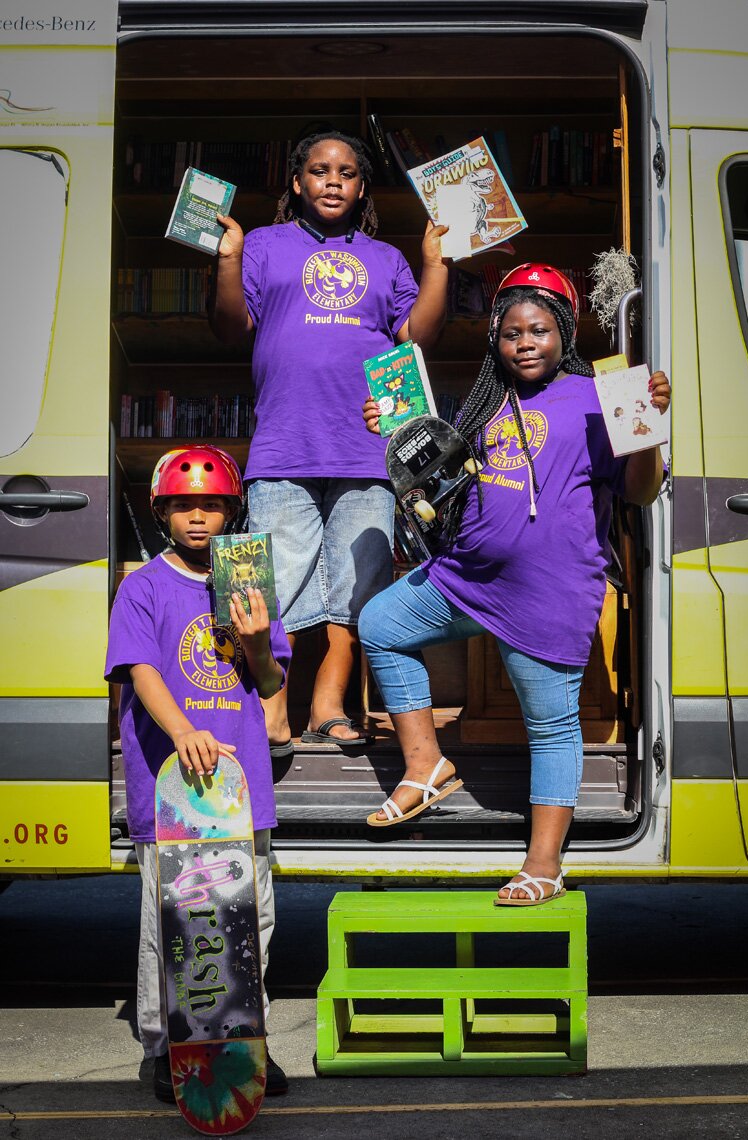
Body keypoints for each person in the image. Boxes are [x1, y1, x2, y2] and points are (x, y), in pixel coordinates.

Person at [359, 263, 671, 906]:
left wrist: (648, 430)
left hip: (547, 592)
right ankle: (426, 765)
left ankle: (544, 864)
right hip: (468, 578)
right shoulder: (483, 403)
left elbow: (640, 492)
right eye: (511, 333)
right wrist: (395, 432)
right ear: (495, 341)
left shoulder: (599, 395)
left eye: (539, 331)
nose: (525, 343)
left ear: (565, 334)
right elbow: (439, 477)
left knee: (550, 728)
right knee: (381, 624)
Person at [208, 130, 448, 754]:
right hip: (284, 446)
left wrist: (435, 265)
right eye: (319, 170)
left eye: (347, 172)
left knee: (359, 588)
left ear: (363, 188)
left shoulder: (385, 259)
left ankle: (328, 704)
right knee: (274, 582)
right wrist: (228, 259)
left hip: (366, 450)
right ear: (297, 182)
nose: (333, 180)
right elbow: (231, 327)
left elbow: (417, 337)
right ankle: (271, 705)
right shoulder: (264, 245)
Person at [104, 445, 292, 1099]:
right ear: (162, 512)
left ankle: (243, 1037)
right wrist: (182, 730)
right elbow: (139, 669)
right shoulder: (142, 587)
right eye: (183, 505)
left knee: (248, 919)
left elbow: (269, 681)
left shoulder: (249, 583)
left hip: (240, 786)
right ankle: (168, 1045)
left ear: (230, 512)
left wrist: (258, 640)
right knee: (173, 923)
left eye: (211, 505)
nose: (197, 517)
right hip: (171, 788)